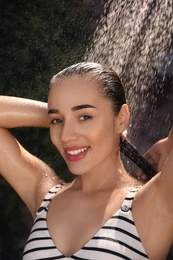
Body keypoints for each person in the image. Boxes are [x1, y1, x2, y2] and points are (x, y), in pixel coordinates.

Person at [0, 62, 172, 260]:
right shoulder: (45, 196)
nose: (66, 136)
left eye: (85, 116)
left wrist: (170, 144)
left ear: (122, 119)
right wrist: (56, 115)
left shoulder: (156, 201)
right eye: (57, 121)